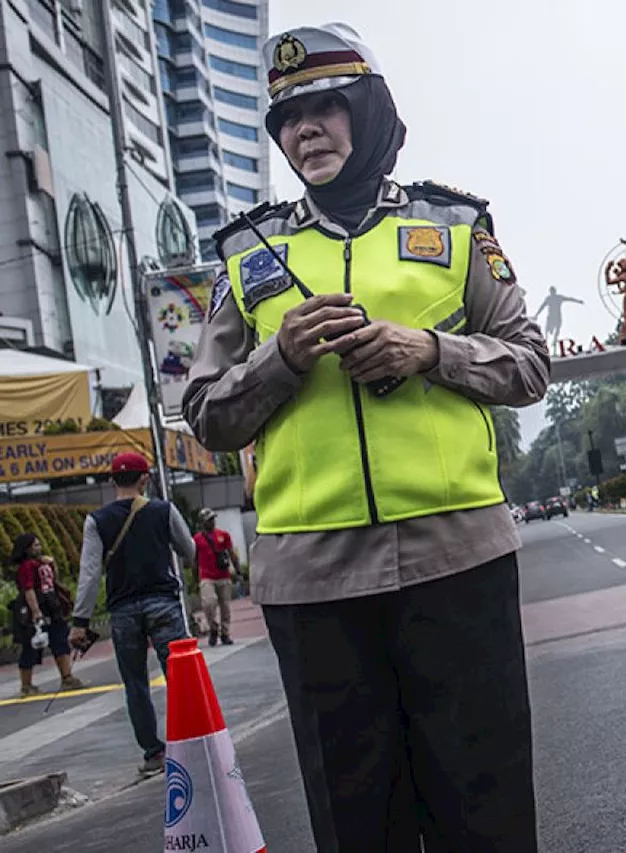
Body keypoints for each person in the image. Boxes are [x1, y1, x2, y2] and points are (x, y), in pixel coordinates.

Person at [181, 23, 549, 852]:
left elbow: (530, 363)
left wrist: (429, 350)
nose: (303, 129)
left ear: (369, 110)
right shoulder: (247, 255)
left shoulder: (455, 226)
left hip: (458, 562)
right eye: (286, 118)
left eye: (323, 107)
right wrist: (280, 357)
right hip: (313, 585)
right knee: (358, 825)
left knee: (485, 811)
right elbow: (205, 412)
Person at [70, 452, 196, 776]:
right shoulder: (163, 510)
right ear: (145, 478)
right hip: (163, 604)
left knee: (136, 683)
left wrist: (80, 622)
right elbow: (190, 551)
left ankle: (154, 754)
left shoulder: (96, 521)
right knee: (180, 677)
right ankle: (195, 744)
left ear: (112, 481)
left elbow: (88, 574)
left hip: (123, 611)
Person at [9, 533, 85, 697]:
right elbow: (28, 590)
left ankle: (67, 677)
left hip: (52, 607)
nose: (39, 547)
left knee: (60, 641)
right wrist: (36, 612)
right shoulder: (26, 567)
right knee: (31, 647)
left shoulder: (43, 563)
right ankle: (26, 685)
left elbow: (52, 581)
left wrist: (52, 564)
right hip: (36, 609)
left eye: (39, 544)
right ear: (26, 548)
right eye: (35, 545)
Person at [192, 507, 241, 646]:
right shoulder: (197, 539)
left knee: (225, 606)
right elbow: (194, 561)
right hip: (206, 576)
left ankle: (225, 633)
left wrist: (238, 571)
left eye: (213, 519)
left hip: (223, 575)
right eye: (209, 520)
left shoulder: (223, 535)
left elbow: (232, 553)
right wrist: (196, 580)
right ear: (203, 522)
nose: (212, 522)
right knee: (208, 603)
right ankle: (213, 628)